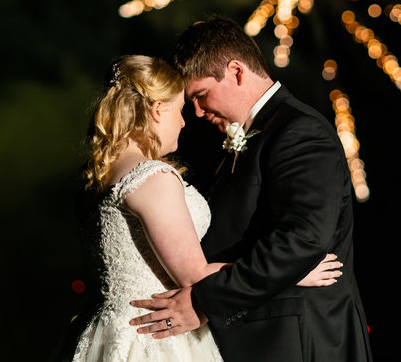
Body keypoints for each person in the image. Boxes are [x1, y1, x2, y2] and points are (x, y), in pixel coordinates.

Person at [129, 18, 373, 361]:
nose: (196, 112)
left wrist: (203, 300)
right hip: (259, 336)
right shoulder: (248, 136)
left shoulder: (300, 133)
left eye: (201, 95)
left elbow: (302, 240)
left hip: (296, 340)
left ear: (236, 71)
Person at [71, 55, 342, 361]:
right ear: (158, 110)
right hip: (155, 338)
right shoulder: (152, 177)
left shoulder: (101, 175)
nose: (186, 121)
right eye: (181, 110)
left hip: (112, 329)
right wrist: (290, 273)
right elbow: (195, 276)